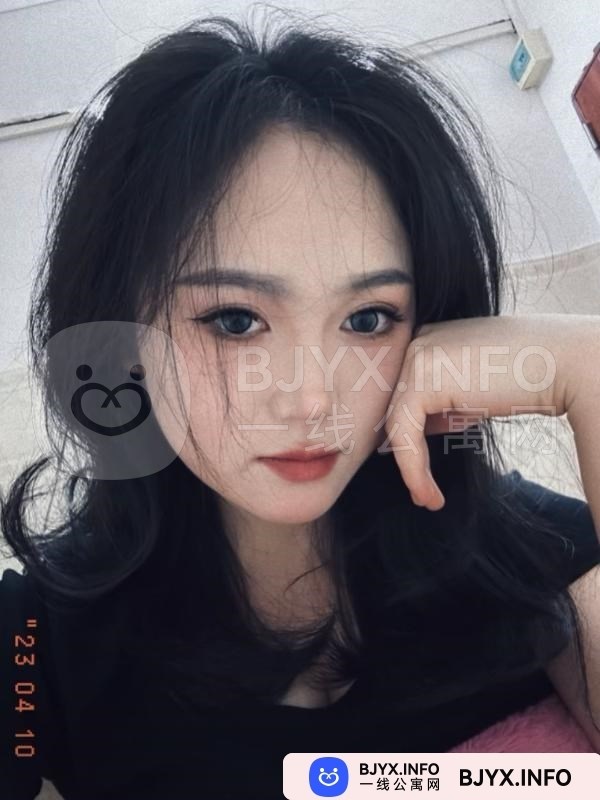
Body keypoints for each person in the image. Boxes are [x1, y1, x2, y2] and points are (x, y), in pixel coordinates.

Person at [1, 10, 599, 800]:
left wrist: (585, 368)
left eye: (369, 319)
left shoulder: (526, 550)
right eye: (234, 321)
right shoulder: (36, 645)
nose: (312, 397)